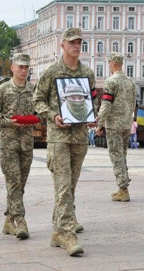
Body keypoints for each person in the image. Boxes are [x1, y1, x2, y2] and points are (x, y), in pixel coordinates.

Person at [33, 28, 97, 257]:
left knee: (70, 187)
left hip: (80, 137)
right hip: (58, 137)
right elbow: (38, 99)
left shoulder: (88, 73)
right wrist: (52, 116)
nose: (76, 46)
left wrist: (92, 116)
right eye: (72, 42)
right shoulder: (52, 72)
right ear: (62, 45)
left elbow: (92, 100)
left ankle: (58, 231)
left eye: (79, 42)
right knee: (63, 186)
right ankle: (69, 234)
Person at [0, 53, 36, 240]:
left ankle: (8, 220)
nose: (23, 70)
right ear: (13, 68)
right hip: (8, 144)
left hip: (26, 144)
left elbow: (40, 112)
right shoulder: (2, 90)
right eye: (20, 67)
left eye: (26, 67)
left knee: (20, 184)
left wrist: (35, 119)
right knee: (14, 182)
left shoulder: (33, 91)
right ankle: (20, 220)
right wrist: (10, 122)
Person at [96, 52, 137, 202]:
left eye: (108, 64)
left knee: (116, 156)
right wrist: (129, 118)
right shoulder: (130, 82)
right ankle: (122, 187)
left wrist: (99, 124)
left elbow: (106, 105)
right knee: (123, 155)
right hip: (127, 123)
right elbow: (133, 104)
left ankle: (123, 189)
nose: (108, 66)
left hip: (114, 124)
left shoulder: (110, 81)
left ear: (113, 63)